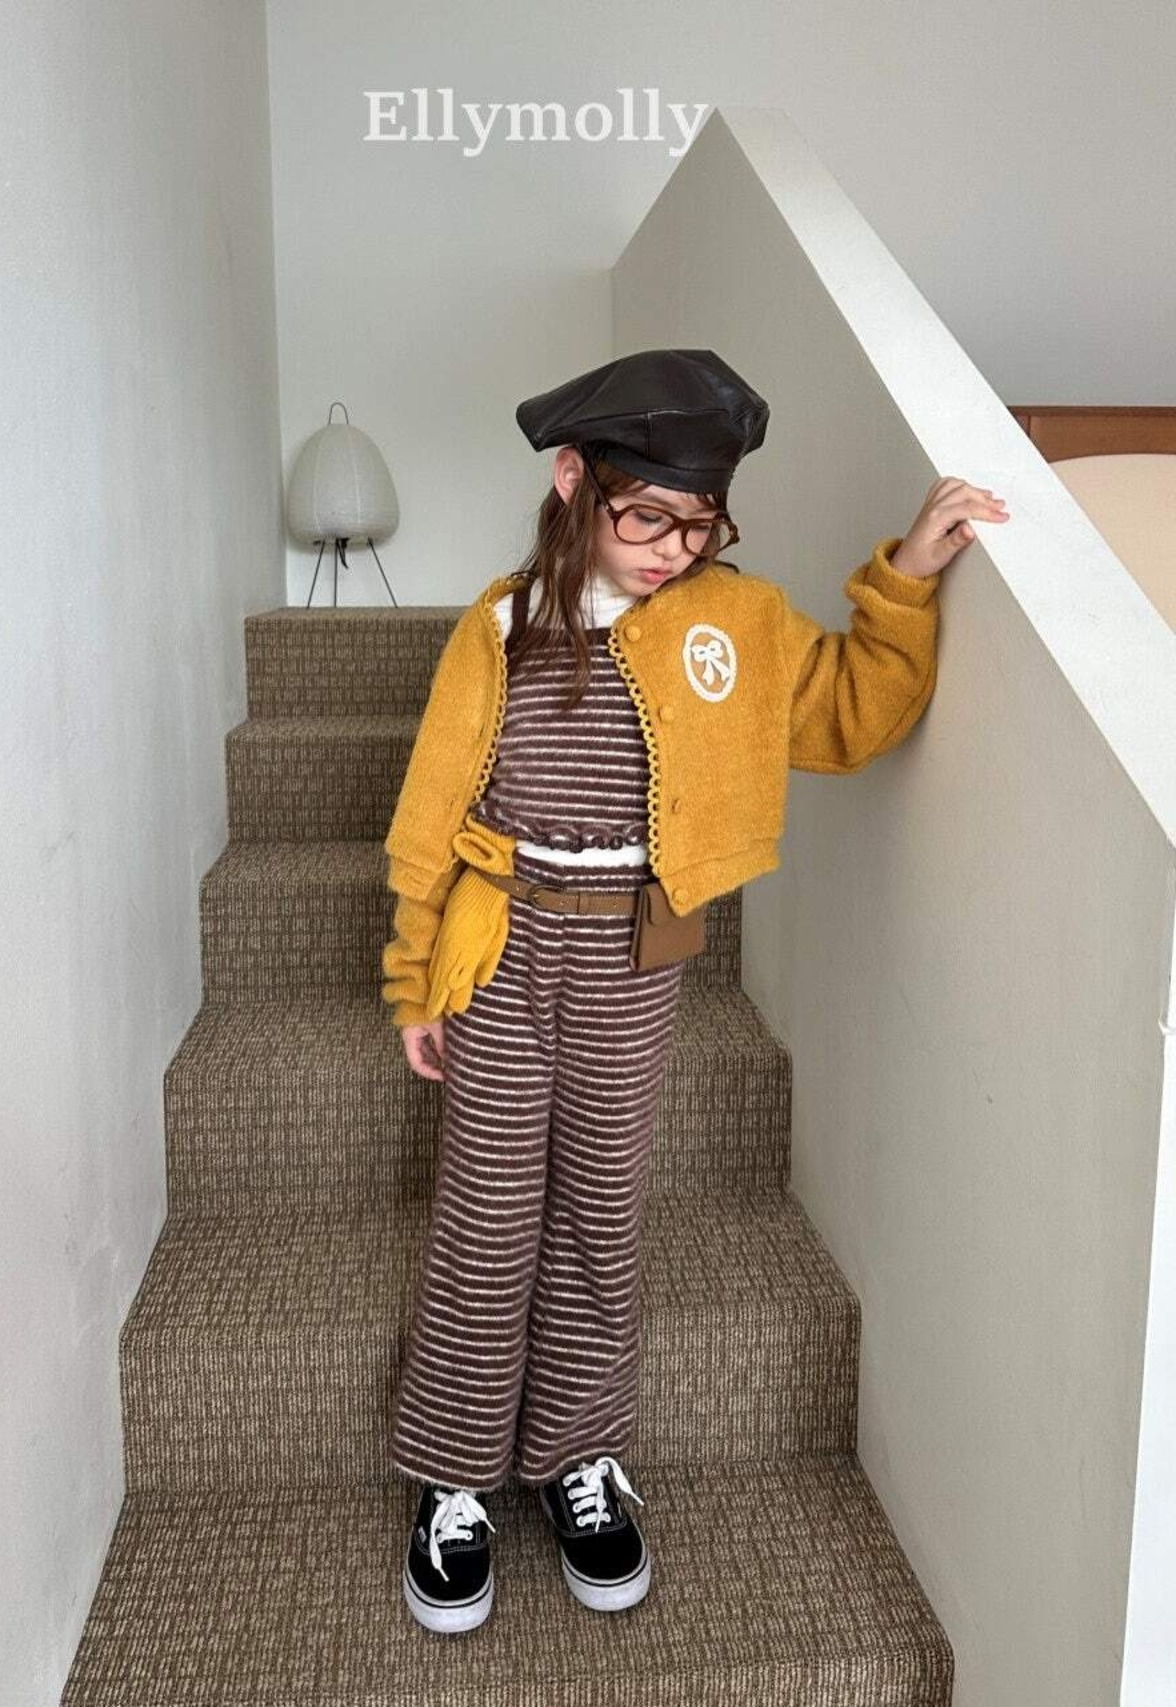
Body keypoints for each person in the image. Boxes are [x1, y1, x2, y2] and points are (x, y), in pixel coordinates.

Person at [379, 349, 1009, 1636]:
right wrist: (412, 978)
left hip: (633, 958)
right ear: (573, 482)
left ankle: (577, 1456)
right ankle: (453, 1472)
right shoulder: (498, 627)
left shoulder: (741, 622)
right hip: (496, 955)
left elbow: (850, 714)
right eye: (648, 517)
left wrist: (907, 574)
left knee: (599, 1210)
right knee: (488, 1214)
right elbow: (430, 811)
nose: (674, 548)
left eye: (701, 523)